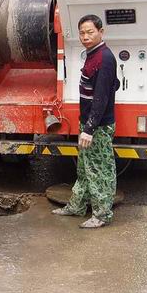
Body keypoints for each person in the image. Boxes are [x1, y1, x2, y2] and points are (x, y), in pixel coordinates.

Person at [52, 14, 119, 228]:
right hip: (89, 123)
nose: (85, 37)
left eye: (90, 32)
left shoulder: (104, 58)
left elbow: (101, 98)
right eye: (82, 32)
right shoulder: (93, 54)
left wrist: (89, 129)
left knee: (100, 171)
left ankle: (101, 215)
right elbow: (113, 84)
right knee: (84, 168)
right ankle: (77, 206)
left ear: (101, 32)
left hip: (97, 127)